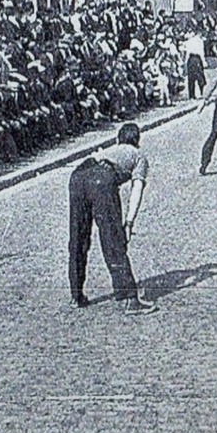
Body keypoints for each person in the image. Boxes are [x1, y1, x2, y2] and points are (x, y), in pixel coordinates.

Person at [68, 122, 157, 314]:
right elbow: (137, 191)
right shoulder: (139, 156)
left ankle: (76, 295)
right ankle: (130, 299)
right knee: (113, 239)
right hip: (102, 179)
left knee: (78, 237)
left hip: (78, 174)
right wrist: (129, 222)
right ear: (137, 141)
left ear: (119, 139)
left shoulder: (110, 149)